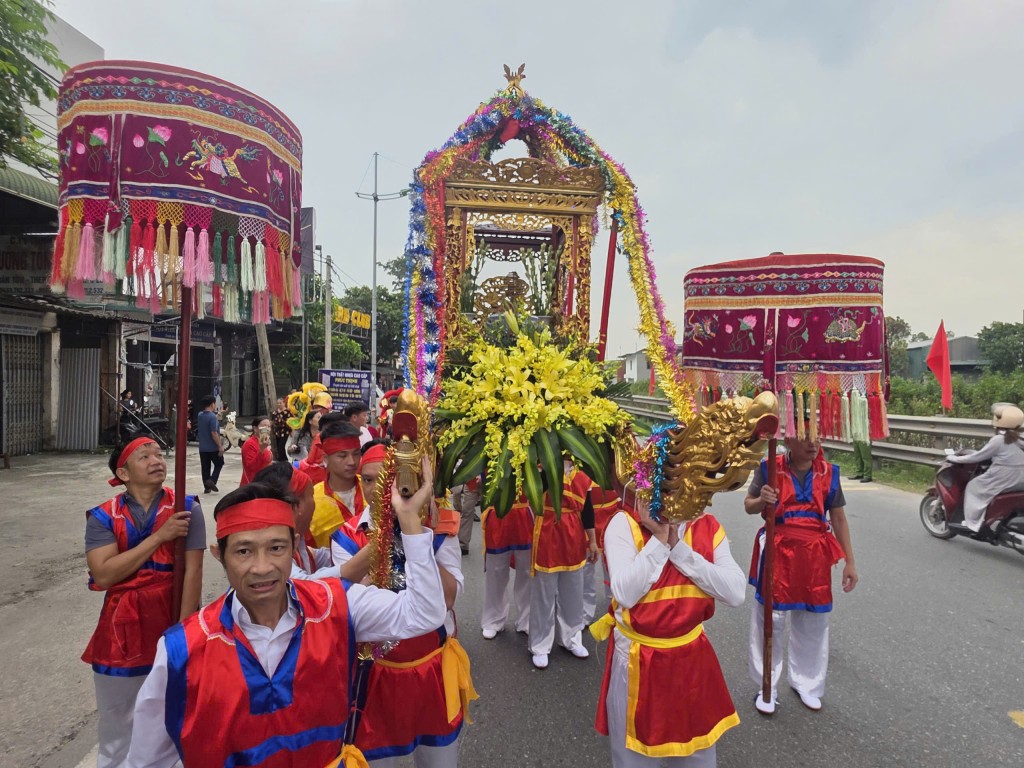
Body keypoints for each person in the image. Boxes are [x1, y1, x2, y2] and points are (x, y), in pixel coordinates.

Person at [124, 467, 448, 767]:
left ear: (293, 544)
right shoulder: (183, 650)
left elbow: (425, 612)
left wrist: (408, 520)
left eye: (276, 548)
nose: (262, 567)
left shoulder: (335, 605)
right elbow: (146, 761)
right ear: (218, 554)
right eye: (244, 551)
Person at [331, 446, 475, 767]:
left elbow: (447, 598)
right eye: (368, 480)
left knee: (439, 761)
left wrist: (415, 533)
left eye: (388, 479)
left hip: (431, 670)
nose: (377, 490)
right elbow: (350, 605)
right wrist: (385, 537)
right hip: (373, 676)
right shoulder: (345, 536)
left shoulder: (440, 528)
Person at [593, 494, 745, 767]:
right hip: (638, 661)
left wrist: (678, 548)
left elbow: (735, 593)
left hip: (692, 661)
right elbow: (625, 592)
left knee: (696, 754)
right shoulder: (624, 524)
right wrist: (660, 539)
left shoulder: (707, 527)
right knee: (635, 758)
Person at [84, 437, 205, 768]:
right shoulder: (102, 517)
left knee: (172, 715)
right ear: (123, 473)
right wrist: (161, 537)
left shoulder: (187, 507)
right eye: (144, 456)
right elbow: (106, 574)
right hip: (121, 628)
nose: (157, 460)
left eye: (158, 454)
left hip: (170, 618)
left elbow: (193, 572)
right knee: (118, 723)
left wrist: (183, 634)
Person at [745, 419, 857, 714]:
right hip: (778, 550)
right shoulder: (769, 466)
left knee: (813, 621)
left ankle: (807, 682)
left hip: (814, 555)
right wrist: (762, 500)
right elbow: (748, 504)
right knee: (770, 619)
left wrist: (850, 562)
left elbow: (839, 519)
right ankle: (765, 684)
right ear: (789, 439)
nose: (812, 444)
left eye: (816, 437)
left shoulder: (829, 474)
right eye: (805, 437)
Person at [528, 459, 600, 669]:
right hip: (548, 531)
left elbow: (587, 509)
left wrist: (592, 541)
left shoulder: (582, 471)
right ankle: (540, 644)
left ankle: (571, 638)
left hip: (573, 535)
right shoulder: (541, 468)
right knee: (544, 592)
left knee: (573, 591)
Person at [946, 402, 1024, 532]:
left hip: (1005, 477)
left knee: (973, 486)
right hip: (1021, 479)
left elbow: (976, 457)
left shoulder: (999, 440)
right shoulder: (1021, 438)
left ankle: (972, 522)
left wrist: (954, 458)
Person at [479, 494, 533, 639]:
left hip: (524, 514)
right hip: (497, 515)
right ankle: (493, 619)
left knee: (528, 572)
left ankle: (527, 620)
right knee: (495, 571)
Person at [309, 421, 365, 547]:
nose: (352, 462)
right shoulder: (312, 501)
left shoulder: (372, 489)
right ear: (326, 459)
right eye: (342, 455)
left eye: (356, 454)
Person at [196, 394, 224, 494]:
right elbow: (214, 433)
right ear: (212, 404)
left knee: (205, 467)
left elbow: (208, 418)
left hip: (203, 447)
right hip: (213, 447)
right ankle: (212, 481)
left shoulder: (200, 415)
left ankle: (206, 487)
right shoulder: (212, 417)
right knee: (219, 463)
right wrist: (220, 446)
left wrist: (217, 415)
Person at [451, 470, 481, 555]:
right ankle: (463, 544)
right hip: (471, 482)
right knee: (466, 512)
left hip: (490, 481)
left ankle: (492, 543)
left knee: (490, 514)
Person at [240, 415, 273, 485]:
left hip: (265, 481)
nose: (267, 428)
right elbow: (252, 467)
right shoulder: (249, 444)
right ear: (255, 428)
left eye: (269, 426)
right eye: (264, 426)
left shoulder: (265, 442)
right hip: (253, 484)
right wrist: (262, 450)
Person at [271, 396, 292, 461]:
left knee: (282, 445)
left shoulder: (288, 412)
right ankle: (282, 458)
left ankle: (282, 459)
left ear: (284, 403)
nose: (279, 404)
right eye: (278, 403)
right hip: (277, 431)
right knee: (278, 445)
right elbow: (272, 421)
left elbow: (290, 421)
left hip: (285, 431)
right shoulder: (275, 412)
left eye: (280, 403)